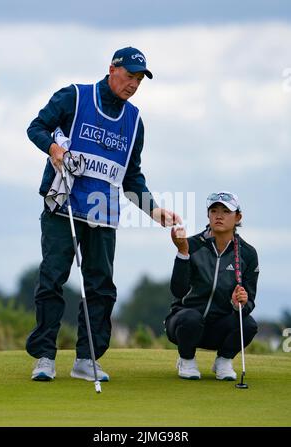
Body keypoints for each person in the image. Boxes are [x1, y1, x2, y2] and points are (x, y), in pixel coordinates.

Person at [26, 46, 181, 382]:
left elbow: (131, 176)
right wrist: (53, 149)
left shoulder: (134, 121)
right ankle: (44, 355)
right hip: (62, 205)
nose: (133, 84)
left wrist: (153, 210)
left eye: (139, 79)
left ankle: (88, 358)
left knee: (101, 288)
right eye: (129, 76)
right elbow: (37, 127)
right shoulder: (74, 97)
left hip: (102, 212)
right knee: (53, 279)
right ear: (112, 69)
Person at [165, 191, 259, 380]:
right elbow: (178, 290)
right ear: (208, 215)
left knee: (248, 325)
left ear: (238, 217)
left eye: (226, 211)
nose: (219, 215)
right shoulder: (191, 244)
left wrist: (239, 302)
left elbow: (248, 304)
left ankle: (223, 361)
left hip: (219, 327)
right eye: (214, 210)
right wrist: (183, 252)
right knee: (190, 318)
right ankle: (186, 359)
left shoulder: (247, 254)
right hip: (185, 323)